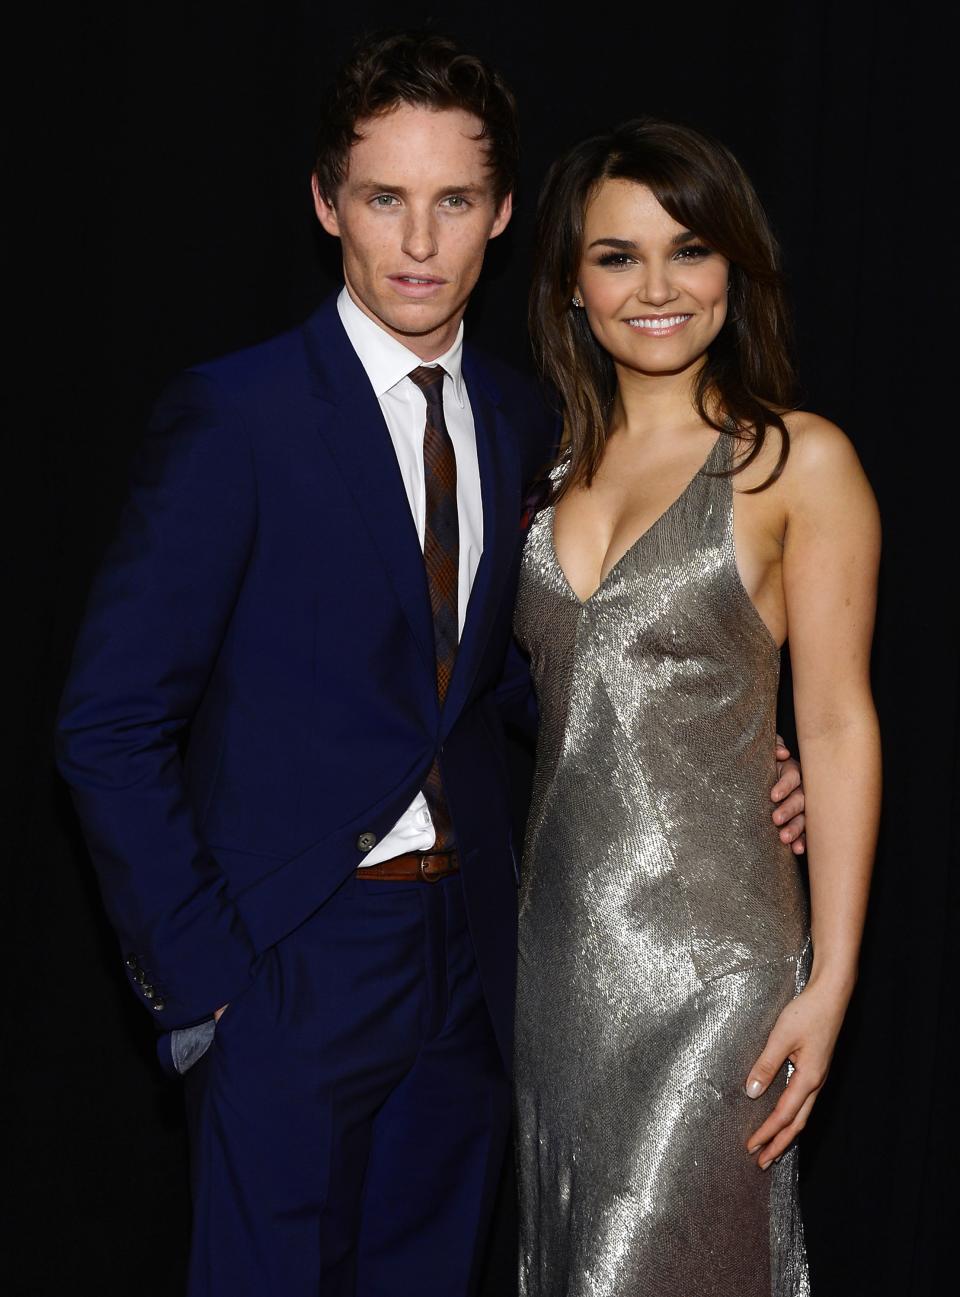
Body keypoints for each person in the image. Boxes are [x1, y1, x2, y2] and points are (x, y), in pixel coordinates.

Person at [54, 34, 808, 1296]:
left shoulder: (526, 421)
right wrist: (204, 980)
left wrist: (731, 749)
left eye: (453, 201)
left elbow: (511, 676)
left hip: (475, 966)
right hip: (288, 964)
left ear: (503, 214)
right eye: (383, 199)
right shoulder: (235, 417)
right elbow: (107, 722)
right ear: (325, 205)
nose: (418, 241)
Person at [513, 118, 880, 1296]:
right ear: (573, 283)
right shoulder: (543, 467)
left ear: (737, 268)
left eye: (691, 250)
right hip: (554, 969)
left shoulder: (795, 461)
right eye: (618, 256)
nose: (658, 287)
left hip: (717, 967)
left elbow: (835, 723)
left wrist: (829, 985)